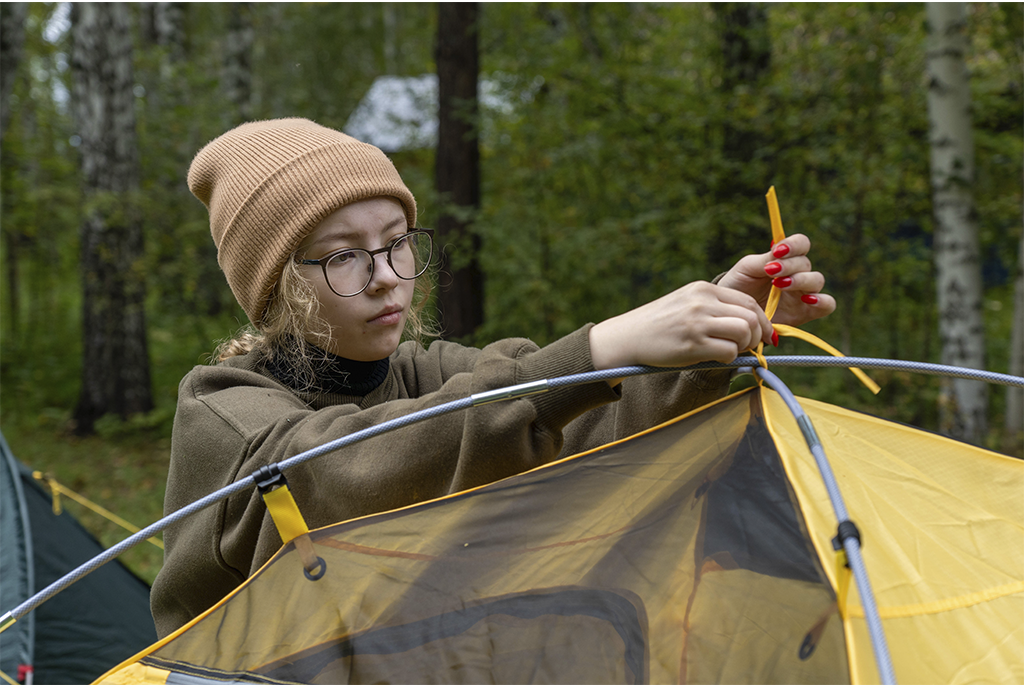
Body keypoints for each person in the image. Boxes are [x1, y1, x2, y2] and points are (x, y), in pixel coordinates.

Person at [150, 118, 835, 637]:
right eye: (344, 256)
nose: (387, 275)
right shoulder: (226, 411)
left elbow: (585, 425)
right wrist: (593, 350)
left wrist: (712, 340)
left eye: (395, 242)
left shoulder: (430, 374)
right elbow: (336, 469)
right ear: (278, 288)